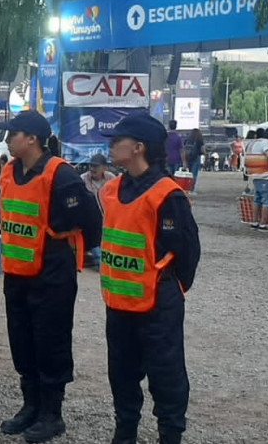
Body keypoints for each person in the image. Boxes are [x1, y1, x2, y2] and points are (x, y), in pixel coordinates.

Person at [0, 111, 102, 442]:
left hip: (51, 271)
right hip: (16, 272)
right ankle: (30, 406)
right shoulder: (10, 171)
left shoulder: (61, 175)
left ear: (32, 139)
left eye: (12, 133)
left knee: (50, 341)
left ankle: (51, 414)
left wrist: (66, 244)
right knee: (22, 341)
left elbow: (91, 222)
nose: (7, 139)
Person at [99, 113, 201, 444]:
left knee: (166, 375)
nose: (112, 146)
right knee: (122, 373)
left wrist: (169, 286)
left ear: (139, 148)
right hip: (119, 303)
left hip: (157, 303)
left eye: (118, 141)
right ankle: (124, 431)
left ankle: (169, 435)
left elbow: (187, 251)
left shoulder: (166, 194)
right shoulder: (112, 189)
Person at [245, 128, 268, 231]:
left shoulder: (252, 142)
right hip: (264, 174)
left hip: (254, 174)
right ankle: (263, 224)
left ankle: (254, 222)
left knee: (257, 199)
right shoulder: (266, 142)